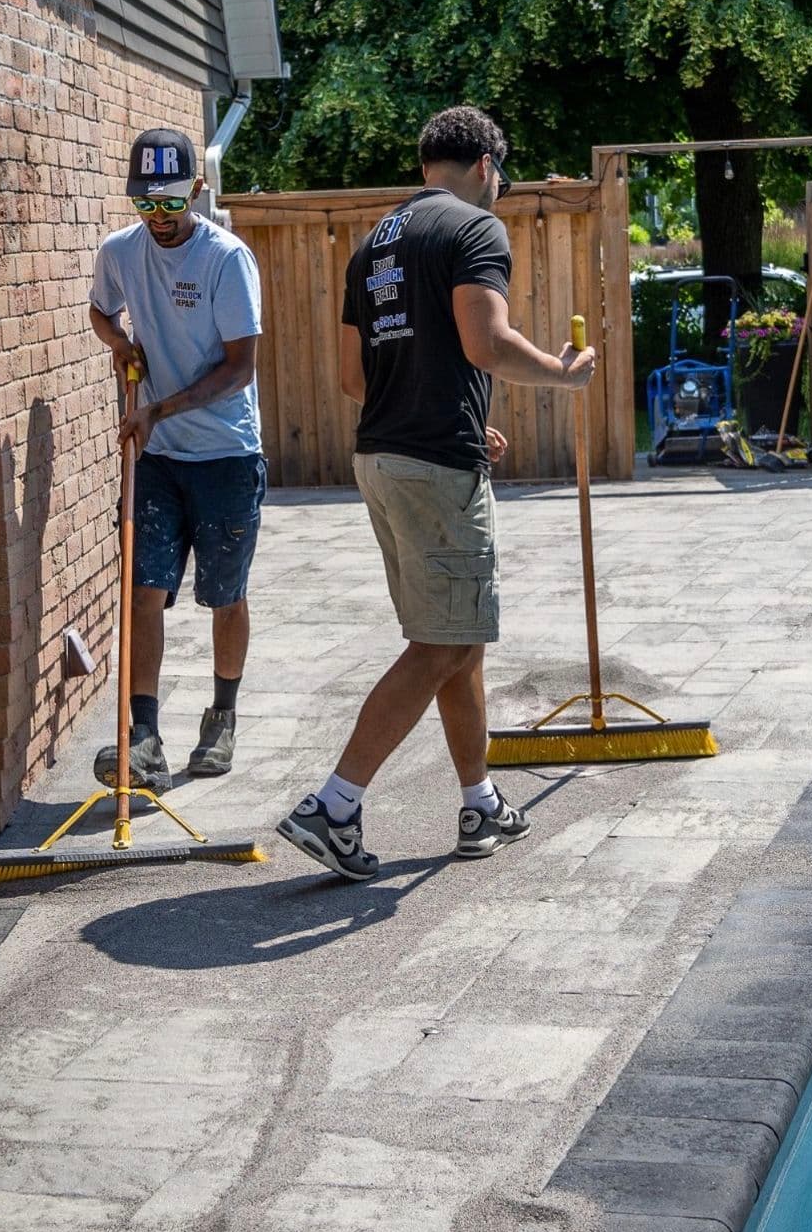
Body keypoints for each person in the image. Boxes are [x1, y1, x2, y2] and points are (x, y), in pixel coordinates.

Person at [277, 105, 595, 880]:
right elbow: (484, 342)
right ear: (487, 163)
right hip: (432, 465)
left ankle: (478, 797)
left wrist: (456, 414)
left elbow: (355, 378)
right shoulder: (474, 230)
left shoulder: (373, 244)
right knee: (444, 640)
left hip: (383, 459)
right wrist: (561, 373)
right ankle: (336, 802)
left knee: (458, 633)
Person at [89, 128, 266, 793]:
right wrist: (121, 343)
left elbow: (240, 369)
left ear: (197, 190)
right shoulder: (121, 251)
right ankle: (143, 737)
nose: (157, 218)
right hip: (158, 457)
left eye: (168, 203)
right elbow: (101, 311)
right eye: (144, 204)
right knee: (145, 588)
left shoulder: (226, 259)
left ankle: (222, 716)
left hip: (225, 453)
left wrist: (157, 409)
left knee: (225, 595)